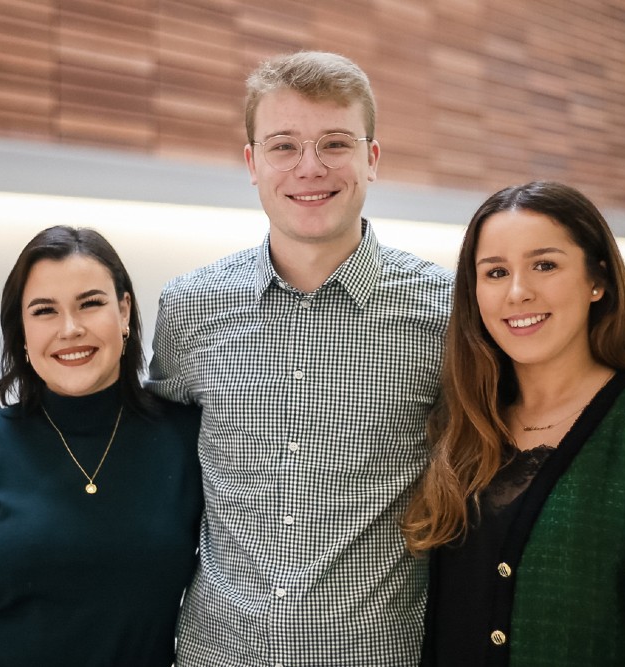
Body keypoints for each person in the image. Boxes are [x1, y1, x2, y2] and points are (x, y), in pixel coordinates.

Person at [148, 51, 453, 666]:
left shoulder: (446, 313)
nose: (309, 168)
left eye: (335, 143)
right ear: (252, 163)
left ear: (372, 158)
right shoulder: (188, 309)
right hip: (217, 654)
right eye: (283, 146)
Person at [403, 181, 625, 666]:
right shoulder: (461, 425)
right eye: (495, 272)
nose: (518, 292)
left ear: (598, 281)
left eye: (545, 265)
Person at [0, 226, 203, 667]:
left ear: (125, 311)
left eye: (90, 304)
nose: (70, 329)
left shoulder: (187, 437)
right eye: (44, 311)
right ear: (22, 331)